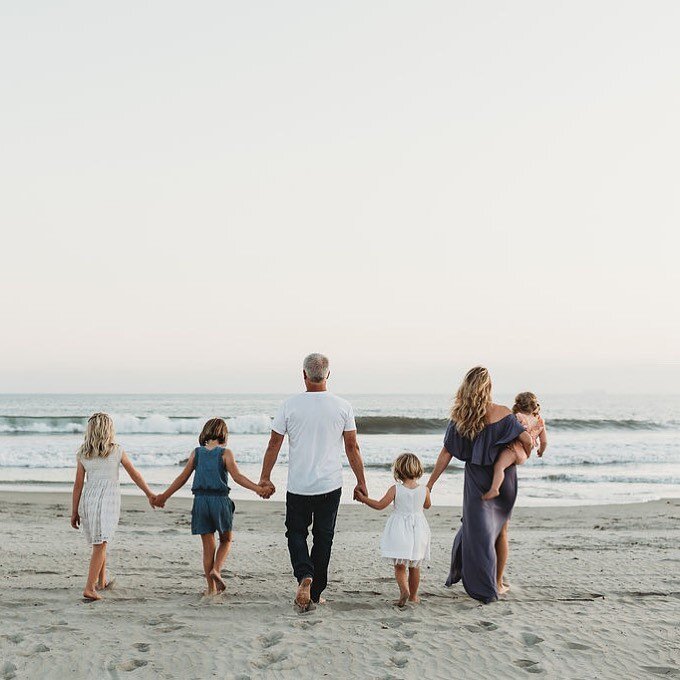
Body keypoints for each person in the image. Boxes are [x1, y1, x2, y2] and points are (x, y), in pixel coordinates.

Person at [258, 353, 367, 610]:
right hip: (330, 485)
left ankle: (304, 574)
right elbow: (352, 447)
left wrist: (265, 477)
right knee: (324, 537)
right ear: (328, 374)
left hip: (299, 485)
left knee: (295, 532)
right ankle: (316, 592)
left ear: (304, 375)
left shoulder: (289, 405)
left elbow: (274, 444)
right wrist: (361, 482)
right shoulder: (343, 406)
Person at [427, 367, 533, 603]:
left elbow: (446, 453)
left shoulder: (460, 418)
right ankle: (494, 583)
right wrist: (518, 455)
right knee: (497, 531)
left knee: (480, 532)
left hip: (476, 480)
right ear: (488, 388)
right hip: (504, 477)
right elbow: (527, 442)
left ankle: (489, 586)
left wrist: (430, 483)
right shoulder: (505, 414)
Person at [152, 418, 268, 595]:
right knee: (226, 539)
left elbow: (182, 478)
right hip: (220, 501)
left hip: (200, 502)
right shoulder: (225, 453)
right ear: (224, 435)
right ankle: (217, 570)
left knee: (208, 546)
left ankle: (210, 589)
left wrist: (163, 496)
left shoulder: (196, 453)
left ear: (206, 433)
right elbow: (238, 477)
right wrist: (258, 489)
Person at [71, 412, 156, 601]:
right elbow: (135, 474)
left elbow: (78, 485)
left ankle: (101, 581)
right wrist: (149, 493)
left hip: (89, 500)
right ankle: (89, 588)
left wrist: (74, 511)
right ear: (109, 430)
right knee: (100, 544)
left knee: (101, 540)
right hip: (108, 501)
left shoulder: (83, 453)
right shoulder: (116, 450)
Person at [356, 452, 431, 607]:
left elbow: (379, 505)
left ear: (398, 471)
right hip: (418, 529)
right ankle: (413, 596)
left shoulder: (396, 489)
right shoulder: (425, 490)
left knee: (399, 565)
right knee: (415, 565)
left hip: (399, 529)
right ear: (418, 470)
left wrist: (363, 499)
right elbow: (427, 505)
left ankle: (404, 590)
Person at [482, 391, 548, 500]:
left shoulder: (517, 416)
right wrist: (540, 451)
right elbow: (544, 442)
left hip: (512, 450)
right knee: (508, 470)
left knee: (499, 466)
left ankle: (495, 489)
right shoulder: (540, 421)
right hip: (523, 455)